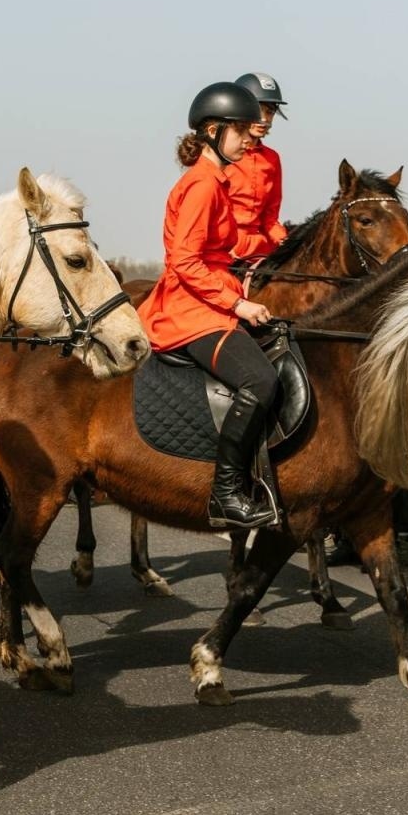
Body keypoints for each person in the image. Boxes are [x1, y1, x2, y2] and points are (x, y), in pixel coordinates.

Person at [139, 83, 282, 530]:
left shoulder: (216, 182)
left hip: (211, 296)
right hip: (190, 310)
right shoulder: (202, 185)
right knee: (260, 380)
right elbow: (183, 261)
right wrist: (236, 305)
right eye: (239, 130)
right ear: (214, 131)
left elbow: (229, 243)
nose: (248, 138)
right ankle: (226, 493)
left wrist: (272, 243)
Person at [230, 73, 289, 262]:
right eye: (258, 110)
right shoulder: (221, 155)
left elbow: (270, 218)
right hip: (223, 248)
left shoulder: (272, 159)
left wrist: (288, 243)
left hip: (258, 248)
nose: (265, 119)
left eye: (270, 112)